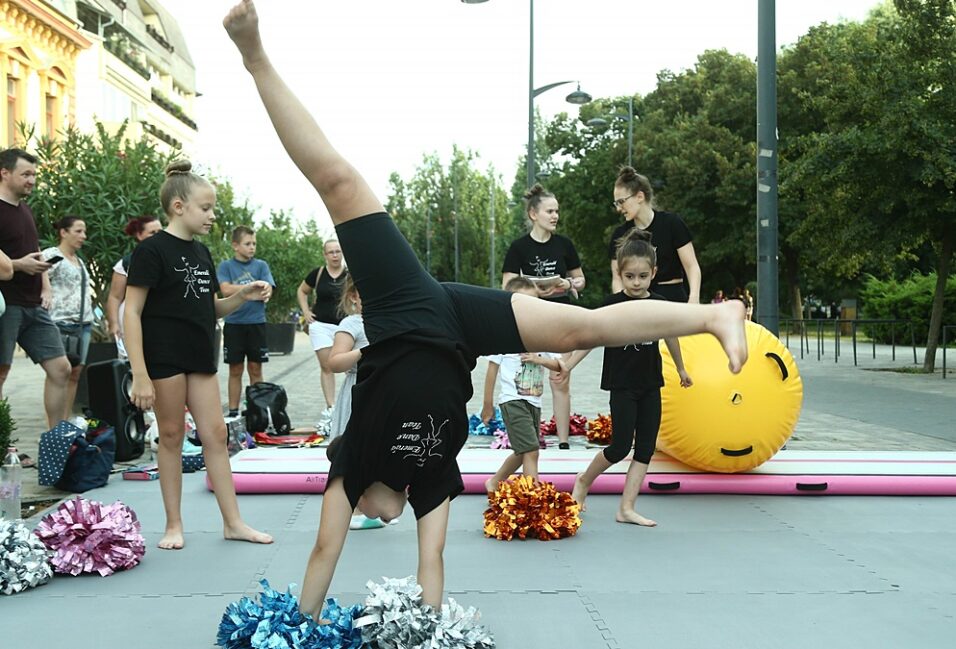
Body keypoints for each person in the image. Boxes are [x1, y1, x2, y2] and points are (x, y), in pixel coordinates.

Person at [223, 0, 746, 614]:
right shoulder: (433, 481)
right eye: (371, 517)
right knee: (586, 327)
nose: (367, 517)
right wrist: (431, 629)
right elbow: (431, 566)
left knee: (337, 182)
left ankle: (255, 58)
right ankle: (714, 317)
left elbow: (320, 556)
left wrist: (303, 626)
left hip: (405, 304)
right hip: (461, 329)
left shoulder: (352, 462)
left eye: (359, 514)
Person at [124, 159, 273, 551]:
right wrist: (139, 373)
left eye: (212, 208)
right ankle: (174, 525)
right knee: (171, 435)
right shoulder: (152, 252)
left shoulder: (203, 253)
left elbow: (210, 309)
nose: (211, 215)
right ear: (178, 207)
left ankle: (233, 522)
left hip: (199, 355)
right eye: (205, 208)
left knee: (216, 434)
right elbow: (131, 312)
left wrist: (241, 296)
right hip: (164, 356)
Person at [570, 229, 692, 526]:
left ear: (654, 272)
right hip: (622, 385)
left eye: (642, 276)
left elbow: (671, 334)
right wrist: (568, 364)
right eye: (629, 277)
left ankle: (626, 508)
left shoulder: (660, 303)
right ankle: (584, 481)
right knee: (620, 446)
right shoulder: (611, 305)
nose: (636, 283)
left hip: (650, 383)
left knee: (646, 447)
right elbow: (589, 336)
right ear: (620, 275)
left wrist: (681, 368)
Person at [501, 184, 585, 450]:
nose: (555, 216)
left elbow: (581, 279)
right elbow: (507, 285)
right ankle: (527, 437)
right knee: (529, 374)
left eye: (557, 211)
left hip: (559, 313)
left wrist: (569, 285)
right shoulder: (518, 247)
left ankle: (562, 440)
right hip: (532, 316)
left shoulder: (564, 244)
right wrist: (534, 288)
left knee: (560, 375)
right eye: (550, 211)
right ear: (533, 213)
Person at [0, 148, 71, 429]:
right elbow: (10, 263)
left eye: (33, 174)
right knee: (2, 373)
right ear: (4, 173)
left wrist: (46, 286)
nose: (31, 180)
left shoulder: (24, 209)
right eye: (25, 174)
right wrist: (19, 266)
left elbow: (35, 249)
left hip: (34, 304)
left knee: (61, 368)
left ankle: (56, 440)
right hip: (7, 304)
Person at [325, 276, 396, 531]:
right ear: (354, 297)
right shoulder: (352, 324)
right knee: (351, 451)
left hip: (382, 393)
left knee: (379, 451)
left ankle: (377, 504)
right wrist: (365, 351)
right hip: (358, 391)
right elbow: (334, 363)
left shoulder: (389, 321)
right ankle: (352, 508)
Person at [481, 276, 561, 492]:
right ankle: (532, 499)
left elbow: (558, 365)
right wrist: (487, 405)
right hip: (512, 400)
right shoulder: (502, 334)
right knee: (532, 450)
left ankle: (495, 481)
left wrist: (539, 359)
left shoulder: (541, 334)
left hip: (533, 403)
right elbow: (491, 370)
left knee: (522, 451)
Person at [609, 167, 701, 303]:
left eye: (621, 202)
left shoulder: (672, 223)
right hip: (637, 303)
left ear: (640, 196)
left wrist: (694, 298)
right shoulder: (620, 234)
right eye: (616, 203)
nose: (618, 208)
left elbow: (691, 266)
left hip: (673, 299)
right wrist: (622, 304)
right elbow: (617, 278)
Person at [218, 225, 276, 417]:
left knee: (255, 368)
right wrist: (250, 289)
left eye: (254, 244)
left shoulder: (261, 266)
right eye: (247, 243)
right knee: (235, 369)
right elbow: (225, 289)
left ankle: (258, 410)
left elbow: (267, 289)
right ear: (235, 245)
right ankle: (233, 411)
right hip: (234, 324)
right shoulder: (226, 266)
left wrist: (263, 290)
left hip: (256, 324)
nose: (252, 247)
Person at [41, 216, 94, 416]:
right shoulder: (53, 254)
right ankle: (53, 428)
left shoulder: (79, 261)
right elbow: (40, 271)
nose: (83, 236)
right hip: (59, 322)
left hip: (83, 324)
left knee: (75, 374)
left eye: (84, 232)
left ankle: (65, 422)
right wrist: (46, 290)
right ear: (63, 232)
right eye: (78, 231)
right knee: (58, 374)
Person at [297, 238, 348, 423]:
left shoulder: (349, 275)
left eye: (338, 251)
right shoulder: (317, 274)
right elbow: (302, 291)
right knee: (326, 366)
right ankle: (331, 407)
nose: (335, 255)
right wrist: (305, 312)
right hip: (321, 325)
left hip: (345, 326)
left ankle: (350, 404)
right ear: (325, 255)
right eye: (331, 252)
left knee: (347, 367)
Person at [106, 215, 162, 358]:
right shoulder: (126, 263)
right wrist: (114, 324)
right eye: (152, 233)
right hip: (132, 322)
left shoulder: (170, 259)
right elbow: (115, 296)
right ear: (139, 235)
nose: (157, 236)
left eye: (160, 232)